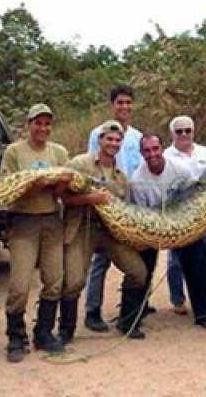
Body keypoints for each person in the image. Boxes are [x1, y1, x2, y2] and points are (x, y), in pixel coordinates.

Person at [61, 120, 148, 339]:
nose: (113, 143)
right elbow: (64, 197)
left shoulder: (121, 177)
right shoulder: (80, 164)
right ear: (99, 140)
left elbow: (127, 209)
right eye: (109, 138)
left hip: (110, 232)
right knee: (74, 281)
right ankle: (65, 330)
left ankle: (127, 323)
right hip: (83, 227)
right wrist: (89, 198)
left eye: (117, 140)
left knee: (138, 272)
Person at [0, 103, 70, 362]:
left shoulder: (59, 152)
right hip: (23, 222)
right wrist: (33, 184)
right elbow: (7, 189)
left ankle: (44, 333)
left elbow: (66, 190)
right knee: (20, 284)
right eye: (38, 123)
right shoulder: (14, 152)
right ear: (28, 124)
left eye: (47, 124)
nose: (42, 128)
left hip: (52, 220)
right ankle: (16, 337)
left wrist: (59, 186)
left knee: (54, 280)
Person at [132, 133, 206, 329]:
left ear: (162, 148)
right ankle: (135, 313)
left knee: (198, 258)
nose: (152, 154)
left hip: (181, 221)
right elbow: (142, 214)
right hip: (153, 225)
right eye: (147, 151)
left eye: (155, 149)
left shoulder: (180, 169)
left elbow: (194, 195)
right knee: (142, 264)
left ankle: (204, 313)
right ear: (141, 153)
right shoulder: (137, 180)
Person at [83, 85, 143, 332]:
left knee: (134, 258)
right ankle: (92, 310)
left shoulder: (138, 136)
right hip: (104, 202)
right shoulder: (98, 132)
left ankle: (132, 310)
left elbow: (139, 170)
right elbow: (91, 166)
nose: (124, 107)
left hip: (129, 202)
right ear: (112, 105)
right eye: (120, 103)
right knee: (101, 260)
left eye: (128, 102)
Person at [163, 115, 206, 315]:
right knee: (175, 259)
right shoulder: (166, 156)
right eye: (179, 131)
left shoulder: (204, 152)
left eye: (188, 130)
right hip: (178, 214)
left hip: (204, 214)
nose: (184, 134)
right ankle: (178, 299)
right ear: (172, 134)